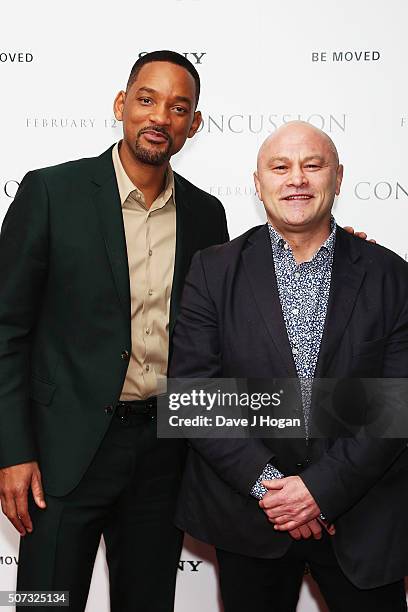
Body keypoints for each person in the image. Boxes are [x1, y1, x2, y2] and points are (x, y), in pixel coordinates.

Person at [0, 50, 229, 612]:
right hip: (61, 455)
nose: (160, 117)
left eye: (178, 107)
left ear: (194, 124)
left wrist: (335, 250)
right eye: (146, 100)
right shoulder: (52, 192)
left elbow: (226, 324)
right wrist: (12, 450)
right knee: (44, 603)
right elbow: (6, 330)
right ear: (121, 104)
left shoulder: (207, 214)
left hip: (162, 455)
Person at [169, 121, 408, 612]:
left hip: (363, 519)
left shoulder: (391, 274)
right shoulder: (213, 270)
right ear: (258, 184)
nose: (296, 178)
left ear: (338, 178)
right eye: (280, 167)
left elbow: (395, 405)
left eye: (312, 165)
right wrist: (273, 489)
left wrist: (319, 490)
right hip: (250, 520)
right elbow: (194, 396)